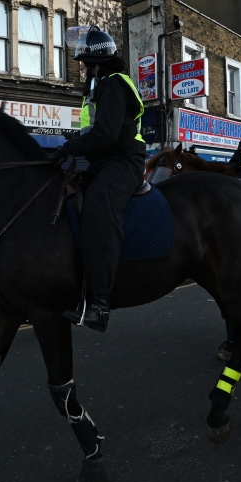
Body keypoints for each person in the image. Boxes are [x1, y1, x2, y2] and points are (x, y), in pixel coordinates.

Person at [51, 27, 147, 333]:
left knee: (98, 208)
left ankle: (100, 305)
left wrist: (70, 148)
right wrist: (74, 140)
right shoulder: (98, 88)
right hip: (101, 160)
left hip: (123, 161)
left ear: (96, 64)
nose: (81, 69)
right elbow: (93, 131)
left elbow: (106, 134)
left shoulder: (113, 85)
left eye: (84, 64)